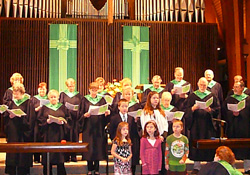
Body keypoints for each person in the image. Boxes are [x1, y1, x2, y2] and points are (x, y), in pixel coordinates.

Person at [183, 77, 220, 174]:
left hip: (208, 124)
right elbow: (186, 110)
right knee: (196, 143)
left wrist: (210, 110)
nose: (203, 86)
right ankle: (197, 166)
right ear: (197, 84)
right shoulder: (192, 96)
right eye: (201, 84)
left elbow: (217, 109)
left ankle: (209, 165)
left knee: (208, 143)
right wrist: (192, 109)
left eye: (204, 85)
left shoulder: (211, 96)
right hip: (196, 124)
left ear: (207, 85)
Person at [78, 82, 110, 175]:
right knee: (89, 148)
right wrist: (84, 115)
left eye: (96, 90)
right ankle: (89, 168)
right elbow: (80, 113)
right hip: (88, 127)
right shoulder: (84, 99)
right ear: (89, 90)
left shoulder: (102, 99)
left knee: (98, 148)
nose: (94, 92)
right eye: (92, 90)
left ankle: (97, 169)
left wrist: (106, 114)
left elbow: (105, 112)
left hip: (99, 127)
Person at [4, 83, 35, 175]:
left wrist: (21, 117)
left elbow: (31, 119)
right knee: (12, 152)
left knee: (22, 156)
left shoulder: (28, 102)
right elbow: (6, 118)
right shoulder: (11, 103)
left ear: (22, 93)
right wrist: (9, 115)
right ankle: (12, 169)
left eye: (17, 93)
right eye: (14, 93)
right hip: (13, 131)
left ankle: (23, 170)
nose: (15, 95)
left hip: (23, 132)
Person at [37, 89, 71, 175]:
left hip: (59, 134)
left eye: (55, 97)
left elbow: (68, 119)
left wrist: (63, 122)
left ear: (58, 98)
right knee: (48, 158)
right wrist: (46, 122)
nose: (53, 99)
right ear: (48, 98)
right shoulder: (44, 108)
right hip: (48, 135)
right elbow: (39, 120)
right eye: (51, 97)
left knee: (60, 157)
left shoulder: (62, 107)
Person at [222, 80, 250, 174]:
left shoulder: (247, 99)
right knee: (232, 147)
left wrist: (240, 113)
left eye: (237, 87)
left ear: (242, 88)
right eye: (234, 87)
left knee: (246, 147)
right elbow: (224, 111)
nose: (235, 88)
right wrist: (232, 113)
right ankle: (232, 167)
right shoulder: (229, 99)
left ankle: (247, 168)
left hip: (244, 127)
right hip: (233, 126)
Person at [138, 91, 168, 175]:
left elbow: (165, 125)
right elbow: (145, 125)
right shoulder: (145, 112)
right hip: (150, 139)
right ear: (149, 99)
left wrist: (162, 136)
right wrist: (153, 136)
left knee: (160, 159)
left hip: (160, 139)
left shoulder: (161, 111)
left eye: (157, 98)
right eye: (154, 98)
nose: (156, 100)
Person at [109, 98, 140, 175]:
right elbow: (111, 131)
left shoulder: (131, 118)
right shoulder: (114, 118)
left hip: (128, 143)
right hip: (119, 144)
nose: (124, 108)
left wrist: (136, 122)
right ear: (119, 107)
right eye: (122, 106)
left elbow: (134, 131)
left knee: (130, 164)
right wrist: (116, 140)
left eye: (126, 106)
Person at [59, 78, 82, 162]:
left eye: (72, 86)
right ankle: (66, 156)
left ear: (74, 85)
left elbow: (81, 106)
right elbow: (60, 105)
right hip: (67, 119)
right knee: (66, 137)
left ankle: (73, 156)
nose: (71, 87)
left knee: (75, 137)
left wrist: (77, 110)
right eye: (69, 86)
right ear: (66, 86)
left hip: (75, 119)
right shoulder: (63, 94)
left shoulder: (78, 95)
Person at [30, 82, 48, 163]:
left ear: (46, 90)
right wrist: (37, 109)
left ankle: (45, 158)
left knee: (44, 139)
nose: (42, 91)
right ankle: (36, 158)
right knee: (36, 139)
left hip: (46, 122)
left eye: (43, 89)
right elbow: (30, 110)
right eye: (40, 89)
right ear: (37, 90)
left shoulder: (48, 99)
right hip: (36, 122)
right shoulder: (33, 99)